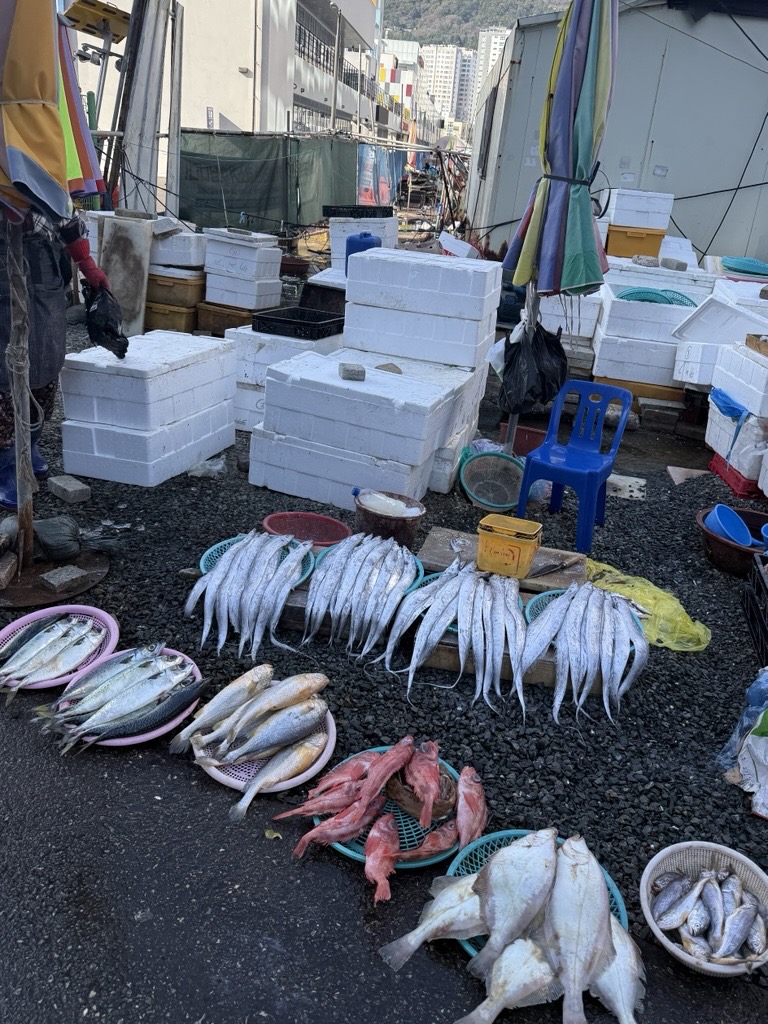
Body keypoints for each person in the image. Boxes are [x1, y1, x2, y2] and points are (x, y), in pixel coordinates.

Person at [0, 207, 108, 509]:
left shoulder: (46, 174)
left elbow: (65, 212)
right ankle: (5, 462)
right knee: (3, 372)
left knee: (45, 360)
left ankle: (30, 442)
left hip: (43, 263)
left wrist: (86, 264)